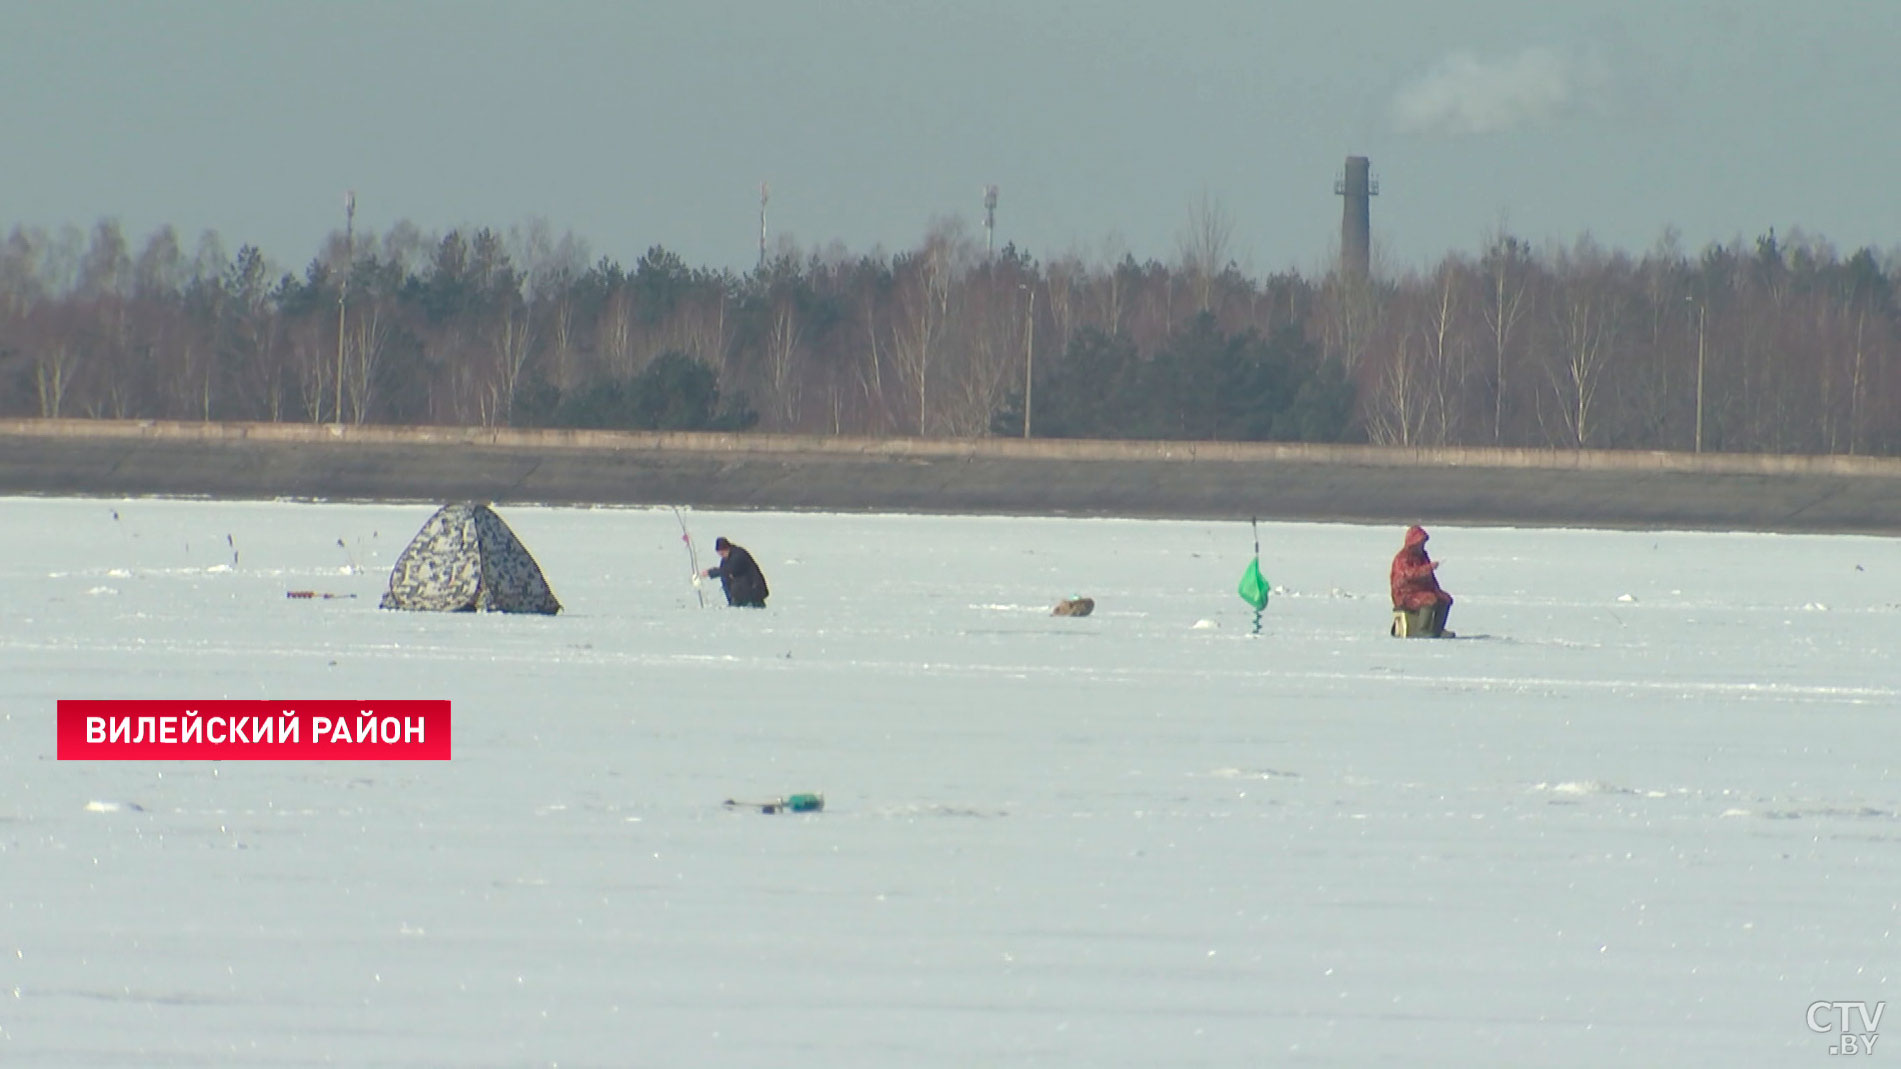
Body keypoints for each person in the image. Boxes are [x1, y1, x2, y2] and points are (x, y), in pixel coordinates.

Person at [1389, 524, 1453, 636]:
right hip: (1405, 594)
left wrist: (1436, 590)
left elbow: (1429, 577)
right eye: (1420, 543)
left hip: (1422, 590)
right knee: (1429, 599)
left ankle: (1437, 630)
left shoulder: (1422, 556)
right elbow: (1407, 575)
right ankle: (1422, 629)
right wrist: (1428, 568)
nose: (1422, 545)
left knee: (1445, 599)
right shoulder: (1403, 557)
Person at [704, 536, 769, 608]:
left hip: (753, 589)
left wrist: (710, 572)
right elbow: (724, 571)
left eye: (722, 553)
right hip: (742, 592)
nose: (721, 556)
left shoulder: (738, 555)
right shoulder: (726, 558)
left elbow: (729, 570)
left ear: (727, 549)